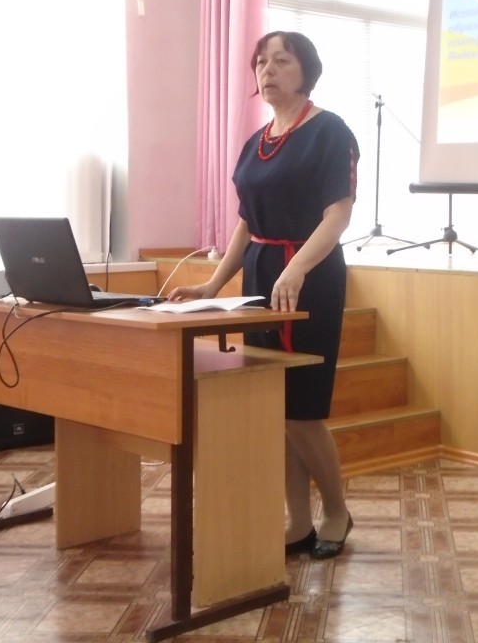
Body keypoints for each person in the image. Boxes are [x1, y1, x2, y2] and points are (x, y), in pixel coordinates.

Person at [168, 31, 358, 560]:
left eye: (281, 61)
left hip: (308, 275)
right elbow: (247, 224)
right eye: (261, 62)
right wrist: (212, 284)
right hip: (261, 276)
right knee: (275, 406)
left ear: (306, 71)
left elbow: (338, 214)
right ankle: (298, 521)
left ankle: (336, 511)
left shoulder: (329, 131)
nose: (267, 70)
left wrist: (296, 269)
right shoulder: (256, 141)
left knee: (303, 407)